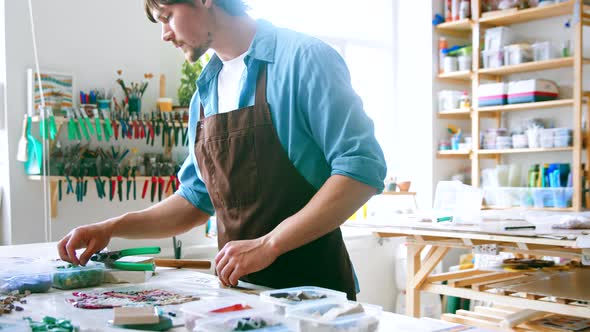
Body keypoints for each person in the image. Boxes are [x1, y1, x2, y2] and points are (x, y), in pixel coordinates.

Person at [57, 0, 386, 300]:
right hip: (240, 296)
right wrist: (112, 228)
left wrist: (269, 245)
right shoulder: (204, 93)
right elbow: (194, 200)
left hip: (315, 299)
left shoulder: (304, 59)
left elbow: (361, 170)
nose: (164, 35)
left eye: (168, 17)